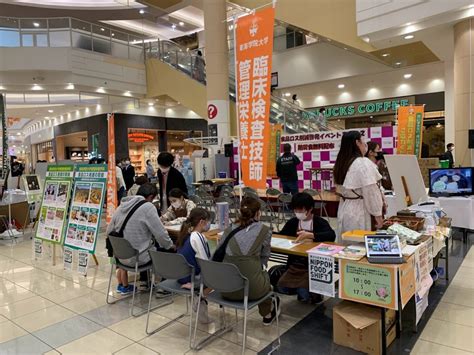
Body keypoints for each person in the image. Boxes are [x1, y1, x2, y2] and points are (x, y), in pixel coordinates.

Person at [218, 196, 279, 325]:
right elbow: (265, 257)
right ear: (258, 213)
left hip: (227, 289)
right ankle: (267, 315)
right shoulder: (265, 231)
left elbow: (219, 254)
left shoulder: (228, 230)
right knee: (264, 277)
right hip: (253, 290)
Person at [106, 183, 174, 294]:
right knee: (166, 249)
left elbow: (109, 231)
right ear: (151, 197)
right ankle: (165, 287)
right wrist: (171, 246)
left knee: (144, 244)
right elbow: (161, 234)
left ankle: (144, 282)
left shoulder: (121, 206)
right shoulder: (148, 207)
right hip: (138, 259)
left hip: (120, 258)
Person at [277, 192, 336, 304]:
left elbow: (331, 235)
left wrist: (311, 235)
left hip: (312, 266)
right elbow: (281, 235)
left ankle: (312, 292)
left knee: (304, 295)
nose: (298, 213)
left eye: (301, 211)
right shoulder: (293, 222)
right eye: (296, 210)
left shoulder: (319, 222)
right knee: (281, 288)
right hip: (294, 265)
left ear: (310, 209)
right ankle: (298, 288)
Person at [334, 131, 385, 239]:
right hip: (360, 210)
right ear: (357, 142)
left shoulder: (341, 162)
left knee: (348, 246)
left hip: (345, 208)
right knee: (361, 246)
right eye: (363, 142)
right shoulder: (362, 162)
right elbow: (371, 192)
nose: (365, 145)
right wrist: (378, 215)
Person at [177, 208, 212, 323]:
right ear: (202, 222)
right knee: (220, 276)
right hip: (191, 277)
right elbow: (205, 263)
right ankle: (200, 296)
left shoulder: (185, 234)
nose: (208, 225)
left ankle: (199, 297)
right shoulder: (198, 236)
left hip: (181, 275)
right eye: (208, 221)